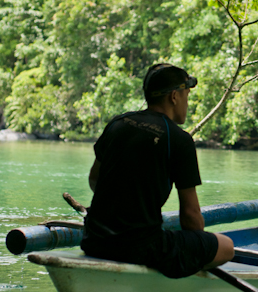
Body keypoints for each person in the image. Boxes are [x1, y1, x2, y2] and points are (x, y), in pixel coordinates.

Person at [81, 63, 234, 278]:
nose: (187, 104)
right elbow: (190, 216)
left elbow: (94, 180)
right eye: (186, 96)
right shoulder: (179, 140)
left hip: (93, 241)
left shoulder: (118, 123)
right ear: (174, 97)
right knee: (226, 246)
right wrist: (197, 251)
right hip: (140, 248)